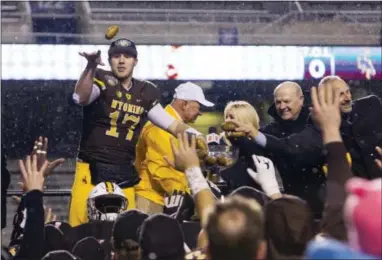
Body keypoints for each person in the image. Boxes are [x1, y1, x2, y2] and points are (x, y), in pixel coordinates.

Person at [69, 38, 206, 226]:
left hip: (124, 171)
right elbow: (80, 97)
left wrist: (197, 136)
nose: (122, 60)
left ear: (135, 61)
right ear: (110, 61)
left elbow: (171, 124)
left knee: (125, 231)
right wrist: (90, 67)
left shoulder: (145, 92)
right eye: (116, 56)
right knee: (81, 226)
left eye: (127, 56)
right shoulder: (101, 78)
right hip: (92, 167)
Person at [230, 76, 382, 181]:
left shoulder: (370, 105)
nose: (348, 97)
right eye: (340, 94)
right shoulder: (317, 126)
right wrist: (253, 134)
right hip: (357, 200)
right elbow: (288, 146)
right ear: (326, 98)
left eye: (347, 91)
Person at [135, 82, 214, 214]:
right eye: (198, 107)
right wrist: (190, 192)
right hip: (151, 199)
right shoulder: (159, 127)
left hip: (164, 196)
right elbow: (160, 169)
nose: (200, 113)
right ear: (184, 104)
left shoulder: (174, 127)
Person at [260, 82, 326, 217]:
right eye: (278, 102)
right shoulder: (270, 131)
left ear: (301, 99)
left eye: (286, 101)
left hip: (317, 203)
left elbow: (294, 147)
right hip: (284, 204)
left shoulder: (315, 124)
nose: (282, 106)